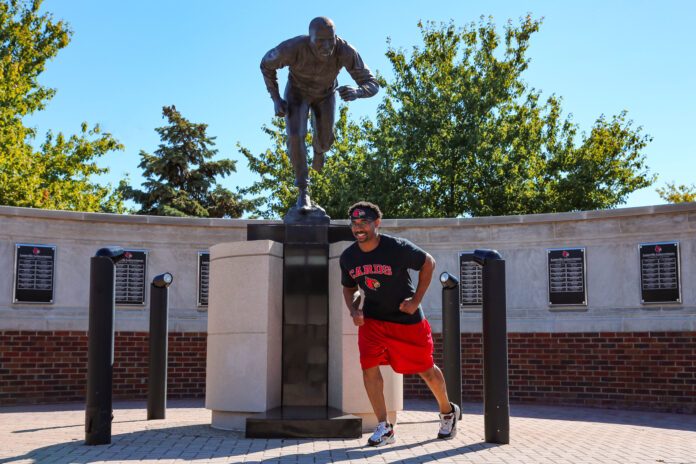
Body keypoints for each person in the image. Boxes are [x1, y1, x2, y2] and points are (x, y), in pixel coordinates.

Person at [339, 201, 461, 446]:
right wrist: (354, 310)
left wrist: (416, 300)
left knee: (426, 370)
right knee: (369, 369)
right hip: (373, 321)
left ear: (376, 223)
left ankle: (448, 412)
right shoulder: (349, 256)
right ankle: (385, 427)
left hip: (406, 321)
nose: (359, 228)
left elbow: (429, 263)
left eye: (364, 223)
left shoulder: (396, 247)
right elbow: (349, 287)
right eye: (354, 223)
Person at [261, 17, 379, 211]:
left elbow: (372, 83)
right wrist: (276, 99)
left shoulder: (345, 50)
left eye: (330, 40)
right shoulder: (292, 47)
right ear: (310, 38)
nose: (326, 46)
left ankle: (319, 150)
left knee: (325, 140)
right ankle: (303, 191)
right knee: (295, 136)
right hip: (297, 94)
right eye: (320, 41)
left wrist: (358, 92)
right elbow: (266, 65)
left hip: (325, 94)